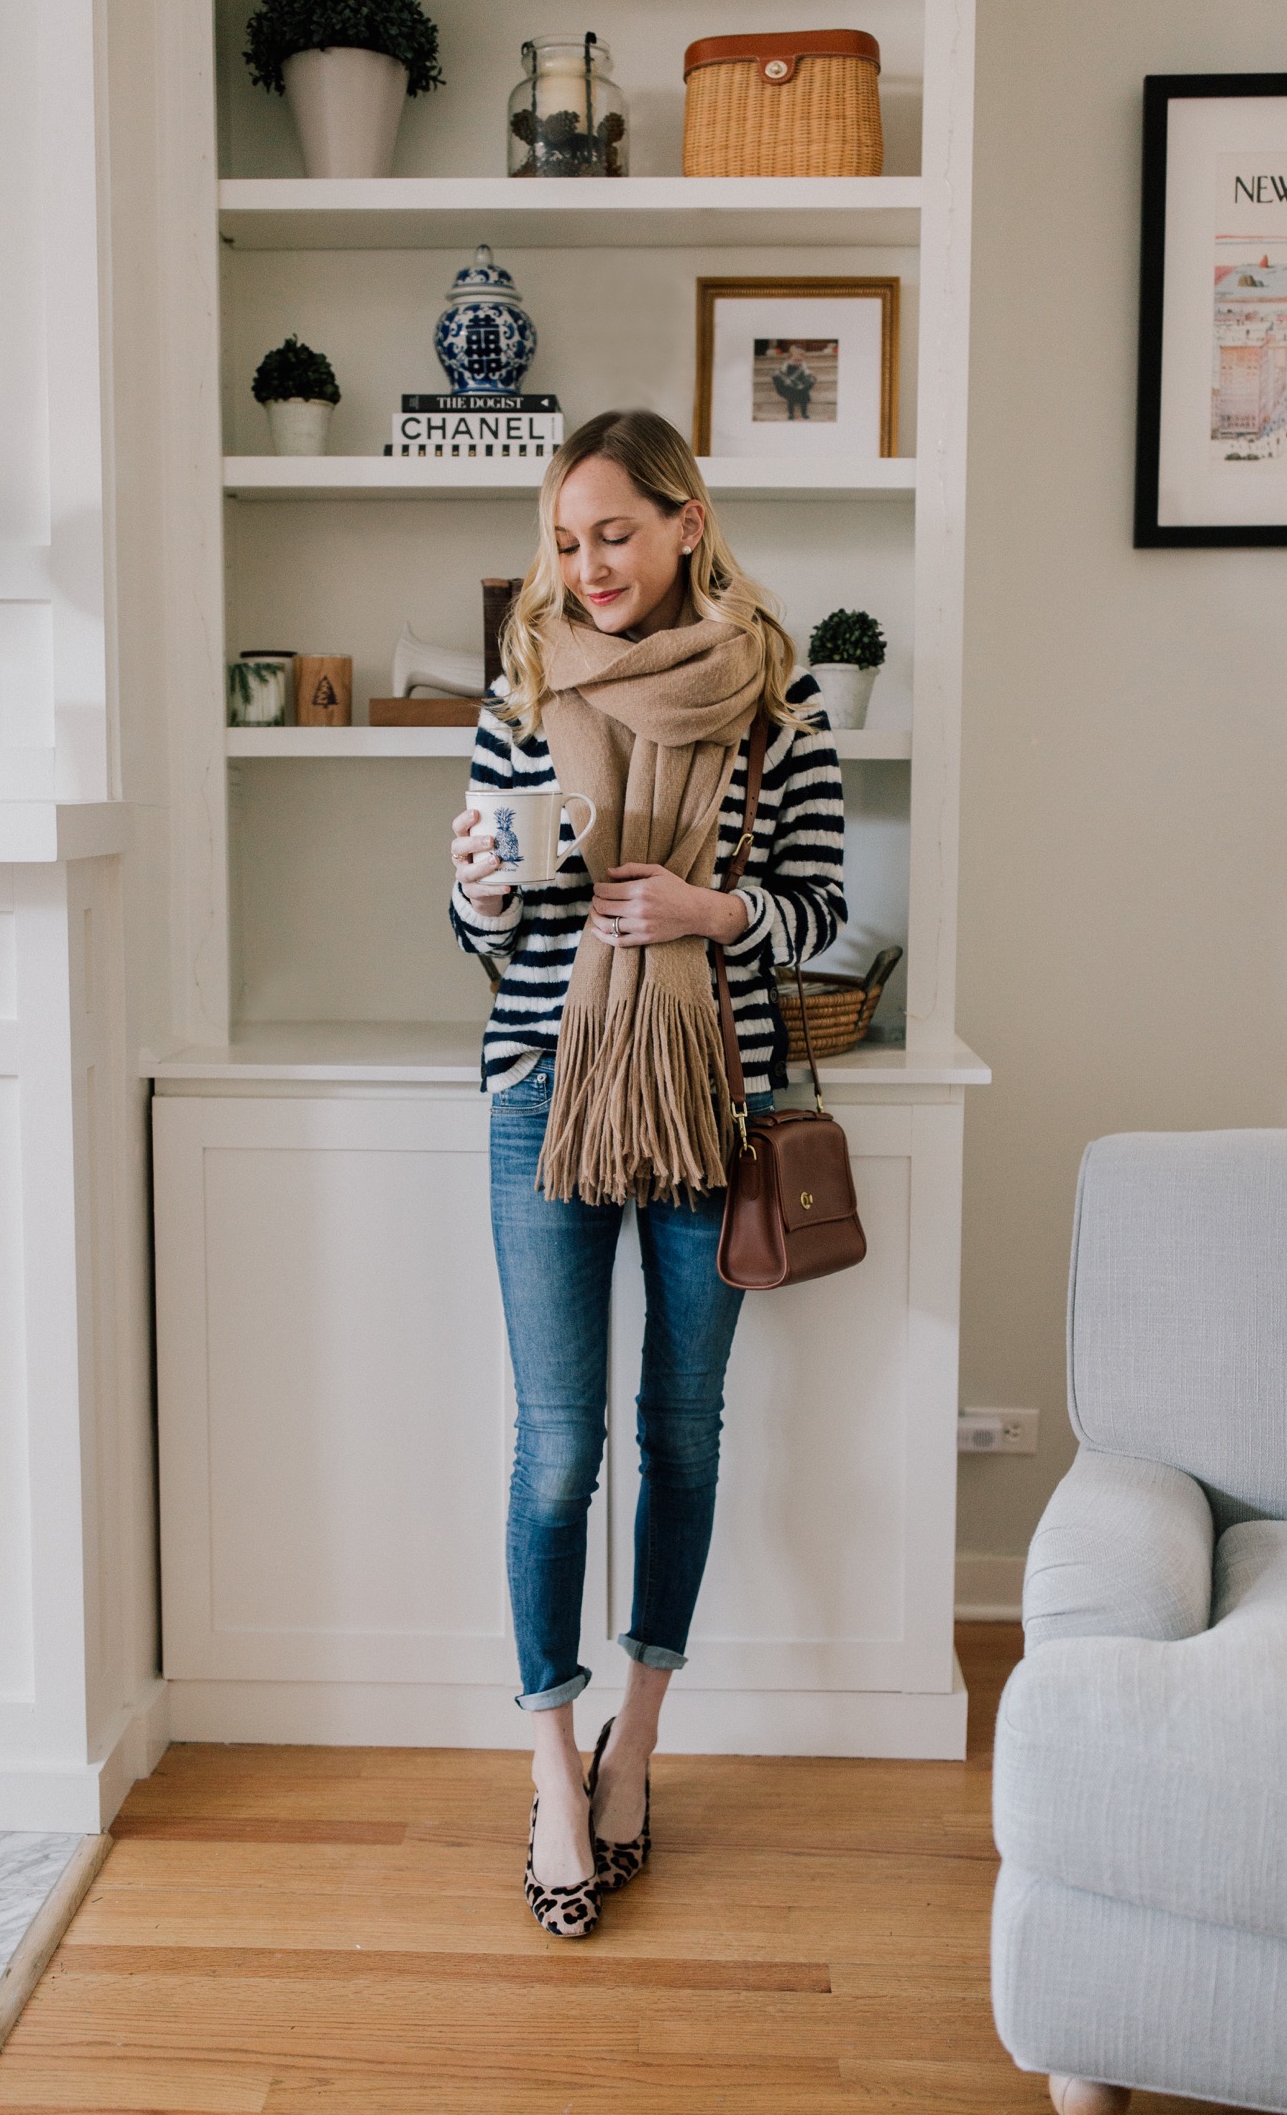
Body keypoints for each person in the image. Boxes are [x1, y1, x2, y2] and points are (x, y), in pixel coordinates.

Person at [449, 408, 846, 1937]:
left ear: (688, 522)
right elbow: (490, 934)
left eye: (613, 530)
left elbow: (821, 913)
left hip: (706, 1106)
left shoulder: (777, 699)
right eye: (565, 539)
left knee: (679, 1432)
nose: (587, 564)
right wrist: (479, 887)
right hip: (544, 1098)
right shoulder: (527, 686)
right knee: (558, 1453)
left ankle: (641, 1747)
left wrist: (711, 910)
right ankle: (554, 1770)